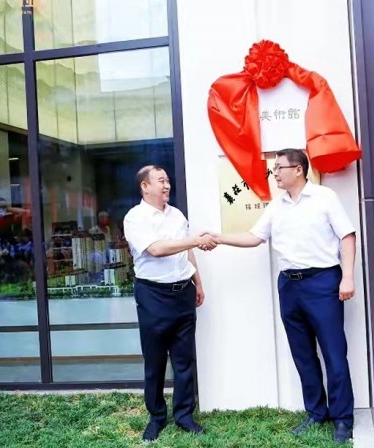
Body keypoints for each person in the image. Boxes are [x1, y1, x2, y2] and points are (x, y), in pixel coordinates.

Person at [213, 148, 356, 444]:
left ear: (298, 170)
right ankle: (316, 412)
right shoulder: (276, 206)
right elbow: (254, 237)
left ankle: (342, 419)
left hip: (323, 282)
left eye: (280, 167)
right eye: (274, 168)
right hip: (289, 286)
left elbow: (347, 235)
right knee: (302, 353)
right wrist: (218, 238)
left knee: (333, 352)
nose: (275, 172)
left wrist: (348, 276)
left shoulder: (324, 198)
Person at [122, 165, 216, 442]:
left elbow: (186, 251)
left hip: (183, 292)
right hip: (153, 295)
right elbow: (156, 249)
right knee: (155, 361)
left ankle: (184, 415)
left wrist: (198, 282)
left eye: (167, 180)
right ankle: (156, 417)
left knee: (184, 359)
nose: (166, 185)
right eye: (160, 181)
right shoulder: (135, 217)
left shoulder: (176, 215)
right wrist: (195, 240)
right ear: (145, 186)